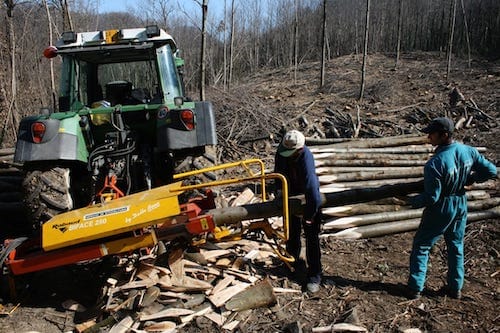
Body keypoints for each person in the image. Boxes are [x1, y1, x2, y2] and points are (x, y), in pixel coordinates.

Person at [406, 117, 497, 299]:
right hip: (460, 203)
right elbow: (491, 171)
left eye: (432, 134)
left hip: (442, 207)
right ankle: (455, 287)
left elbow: (432, 197)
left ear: (444, 135)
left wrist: (413, 201)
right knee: (455, 245)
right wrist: (471, 179)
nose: (429, 137)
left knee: (422, 245)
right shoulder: (468, 151)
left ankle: (415, 288)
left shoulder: (435, 164)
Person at [274, 130, 323, 293]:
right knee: (292, 233)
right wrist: (279, 194)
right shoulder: (282, 151)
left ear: (300, 149)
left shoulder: (305, 157)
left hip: (307, 198)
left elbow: (312, 188)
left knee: (311, 238)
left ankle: (314, 275)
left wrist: (310, 214)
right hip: (289, 195)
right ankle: (293, 264)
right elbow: (277, 174)